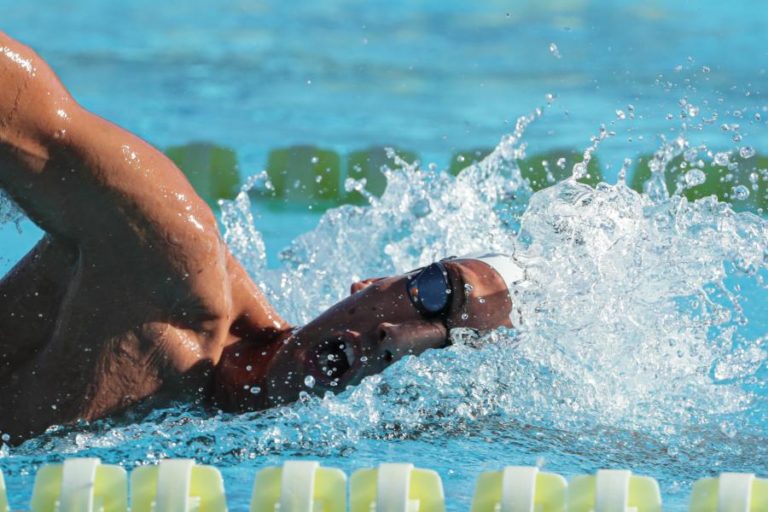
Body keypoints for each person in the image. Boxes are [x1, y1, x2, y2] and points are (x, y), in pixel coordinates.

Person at [0, 32, 521, 443]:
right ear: (374, 282)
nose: (398, 337)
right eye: (436, 294)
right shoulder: (174, 262)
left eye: (450, 346)